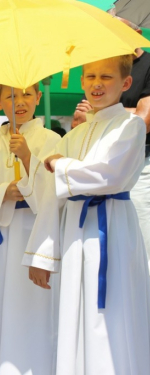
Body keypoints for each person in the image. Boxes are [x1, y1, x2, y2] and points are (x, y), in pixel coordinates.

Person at [29, 55, 150, 374]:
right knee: (74, 311)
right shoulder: (72, 136)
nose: (97, 83)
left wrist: (60, 165)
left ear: (126, 84)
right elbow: (50, 195)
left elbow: (111, 175)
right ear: (81, 82)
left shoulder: (131, 125)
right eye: (91, 76)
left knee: (111, 311)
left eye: (107, 77)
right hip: (73, 234)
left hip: (111, 229)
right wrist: (42, 254)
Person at [0, 82, 61, 375]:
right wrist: (4, 192)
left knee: (30, 311)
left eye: (27, 94)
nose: (20, 102)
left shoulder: (52, 139)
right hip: (0, 241)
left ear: (39, 98)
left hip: (34, 234)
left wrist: (29, 157)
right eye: (11, 96)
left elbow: (57, 190)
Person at [72, 17, 150, 263]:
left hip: (140, 166)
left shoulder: (148, 64)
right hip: (98, 164)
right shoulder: (101, 68)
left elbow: (145, 118)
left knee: (140, 242)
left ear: (136, 33)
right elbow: (84, 121)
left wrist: (98, 114)